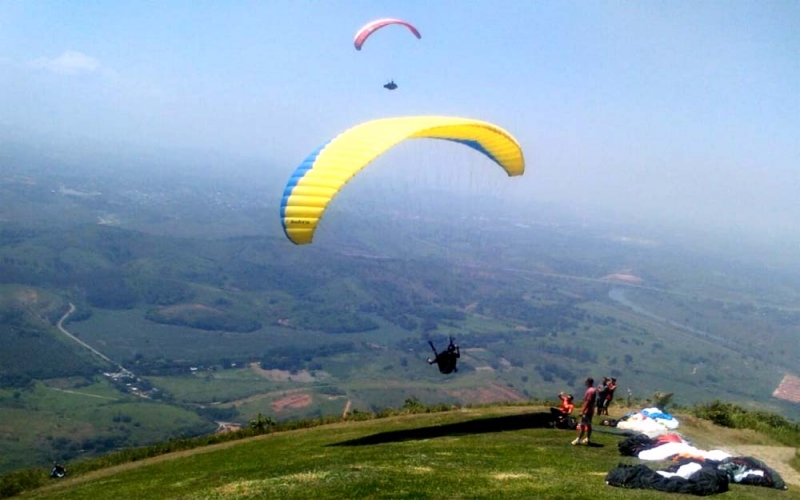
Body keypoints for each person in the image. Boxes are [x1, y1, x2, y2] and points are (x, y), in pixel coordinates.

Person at [572, 377, 597, 445]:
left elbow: (588, 401)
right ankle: (587, 438)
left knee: (583, 425)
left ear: (588, 382)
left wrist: (583, 411)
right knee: (588, 425)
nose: (585, 382)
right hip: (591, 410)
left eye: (586, 381)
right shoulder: (593, 390)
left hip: (587, 411)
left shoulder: (590, 391)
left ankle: (578, 439)